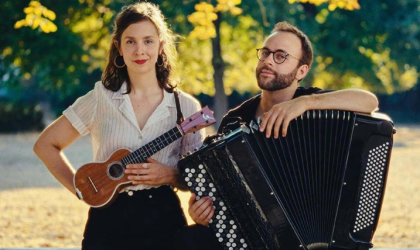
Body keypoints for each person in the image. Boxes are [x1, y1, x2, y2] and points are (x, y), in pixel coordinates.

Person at [187, 21, 379, 249]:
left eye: (281, 56)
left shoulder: (315, 105)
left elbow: (369, 101)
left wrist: (306, 103)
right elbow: (218, 192)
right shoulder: (234, 121)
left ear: (301, 71)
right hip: (254, 239)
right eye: (265, 53)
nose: (268, 60)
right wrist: (200, 211)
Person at [33, 2, 204, 250]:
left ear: (161, 45)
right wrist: (81, 190)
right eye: (130, 41)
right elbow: (45, 145)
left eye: (148, 41)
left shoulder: (186, 107)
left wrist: (170, 175)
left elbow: (198, 179)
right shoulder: (100, 98)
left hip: (164, 218)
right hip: (107, 222)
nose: (139, 50)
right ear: (119, 48)